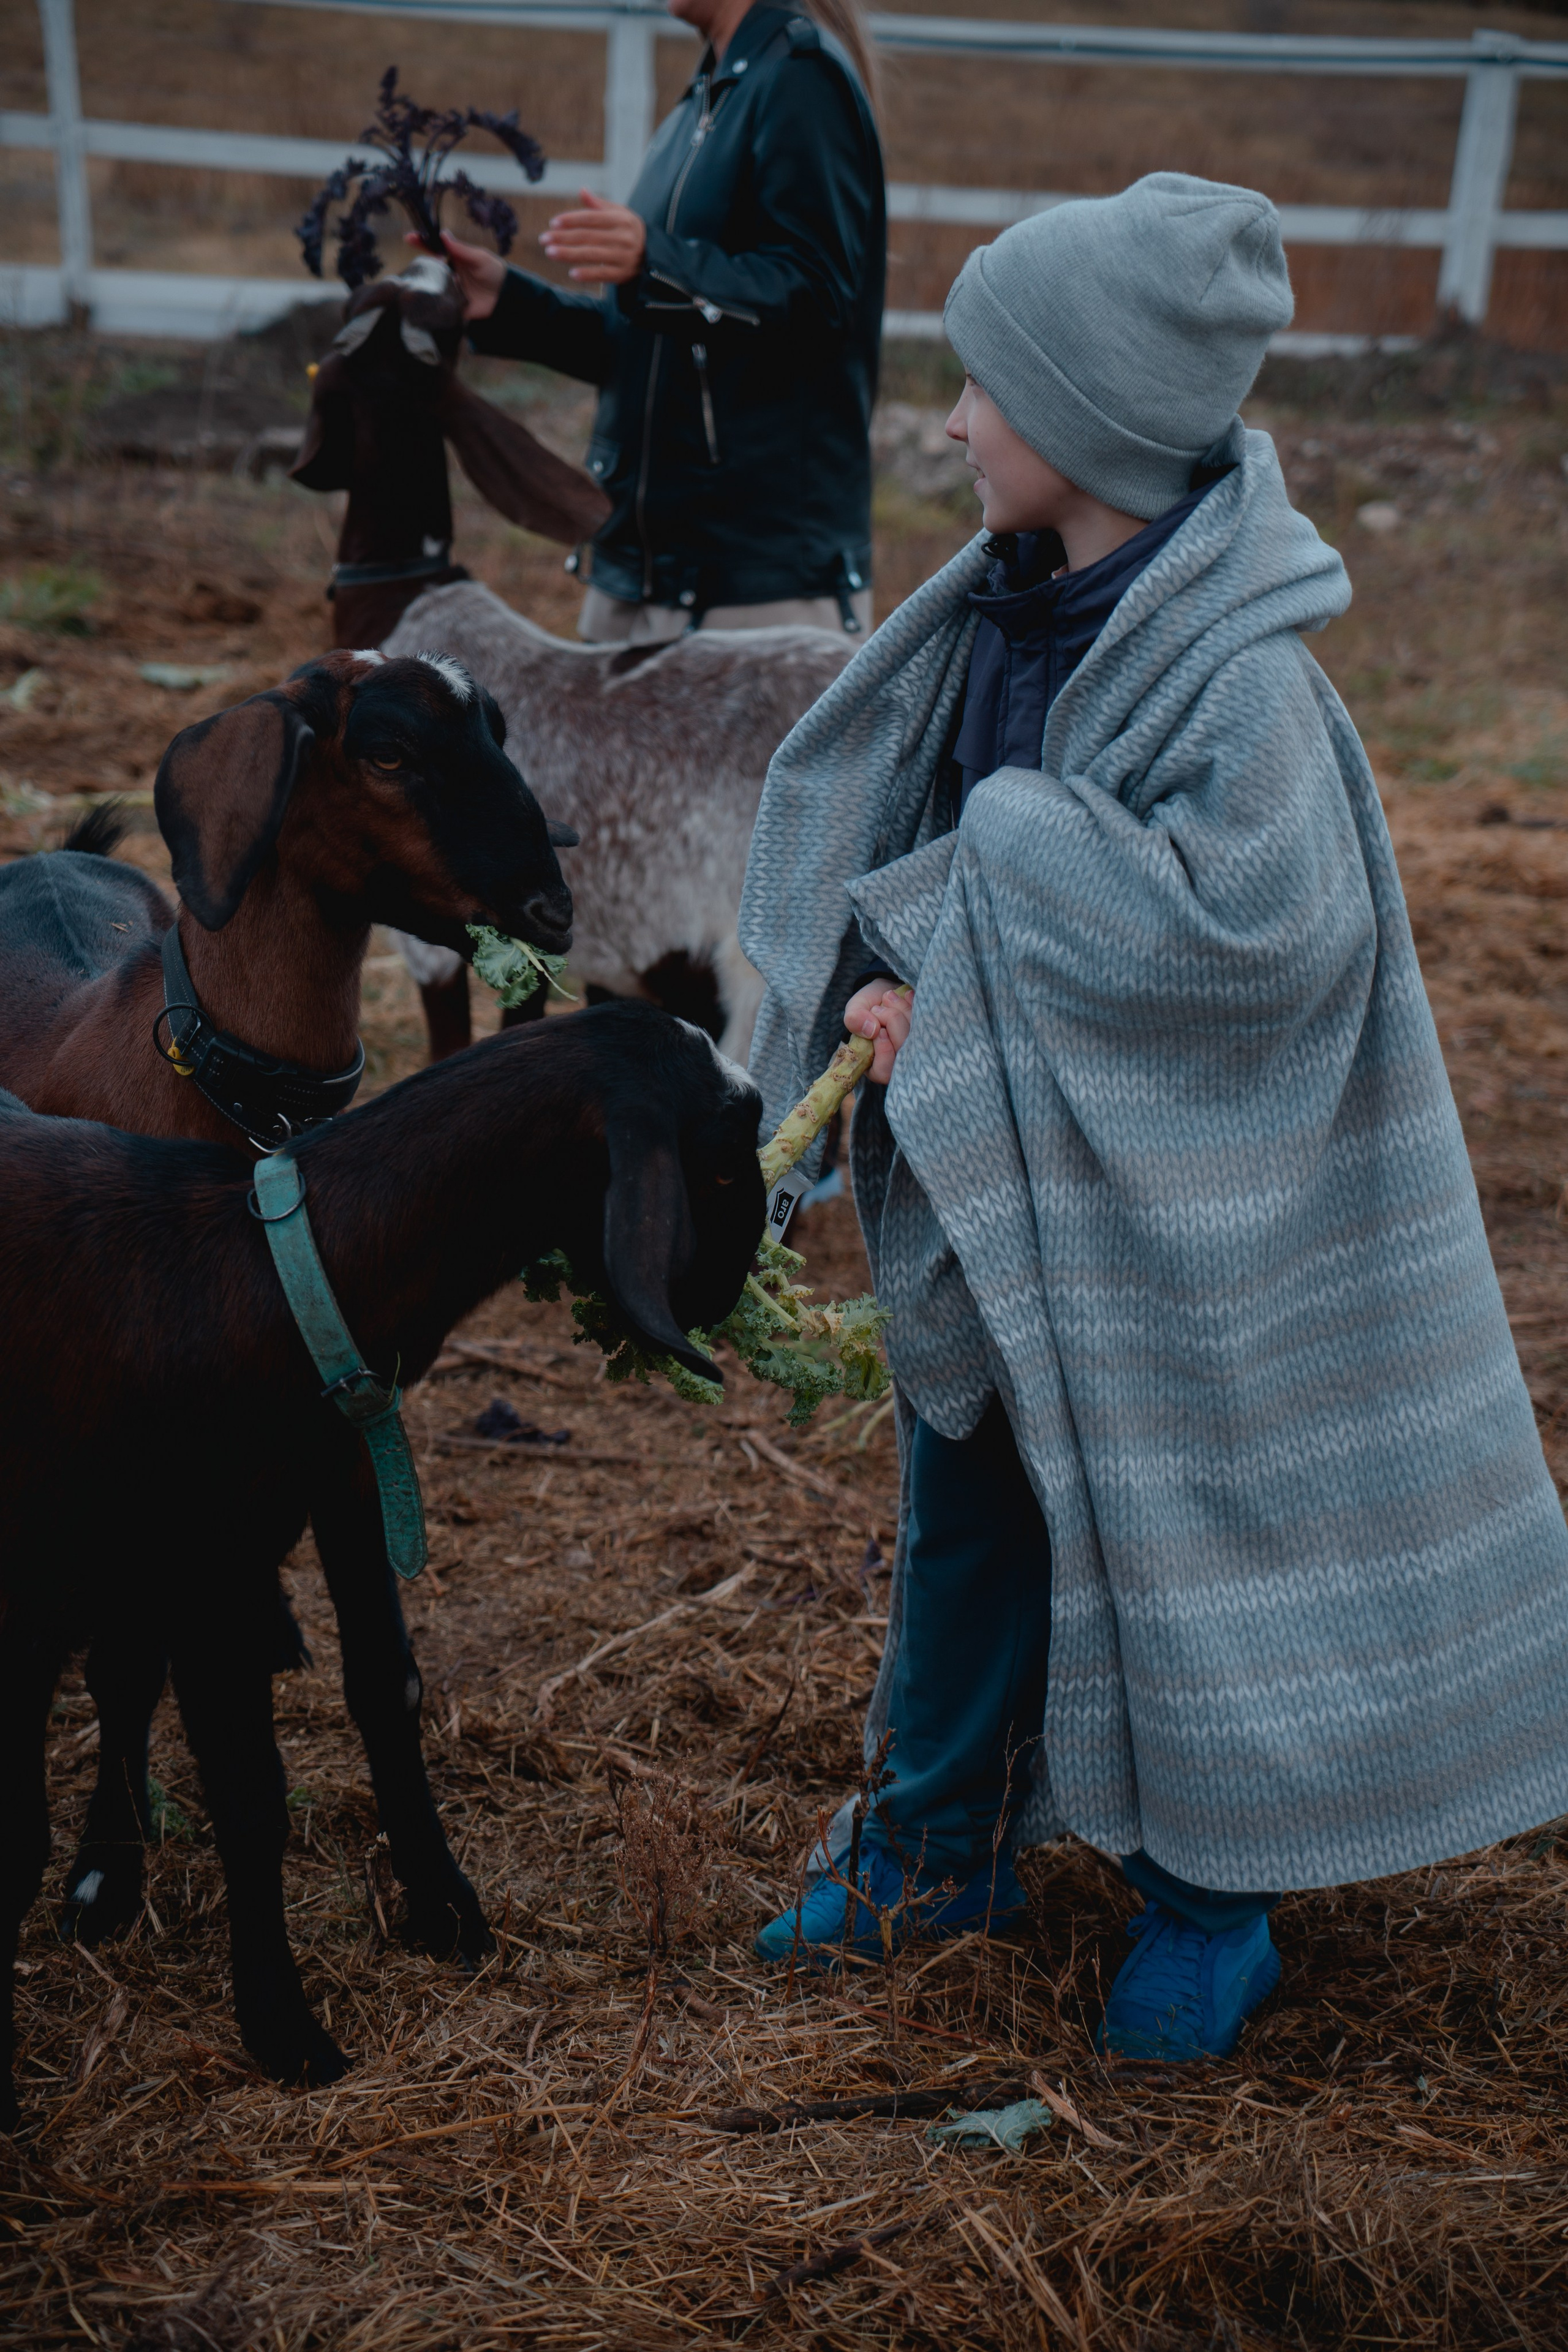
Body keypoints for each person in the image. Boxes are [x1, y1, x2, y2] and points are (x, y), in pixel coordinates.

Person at [736, 173, 1568, 2062]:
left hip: (1190, 1219)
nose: (952, 425)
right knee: (967, 1508)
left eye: (985, 391)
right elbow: (937, 859)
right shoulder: (1002, 618)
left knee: (1193, 1534)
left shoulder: (1242, 685)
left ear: (1091, 422)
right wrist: (902, 965)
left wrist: (982, 895)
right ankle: (935, 1842)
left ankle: (1215, 1901)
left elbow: (1248, 929)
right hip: (1014, 1179)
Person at [431, 0, 884, 643]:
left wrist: (656, 257)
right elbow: (655, 343)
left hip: (756, 591)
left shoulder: (801, 78)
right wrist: (510, 304)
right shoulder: (706, 97)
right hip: (643, 575)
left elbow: (818, 300)